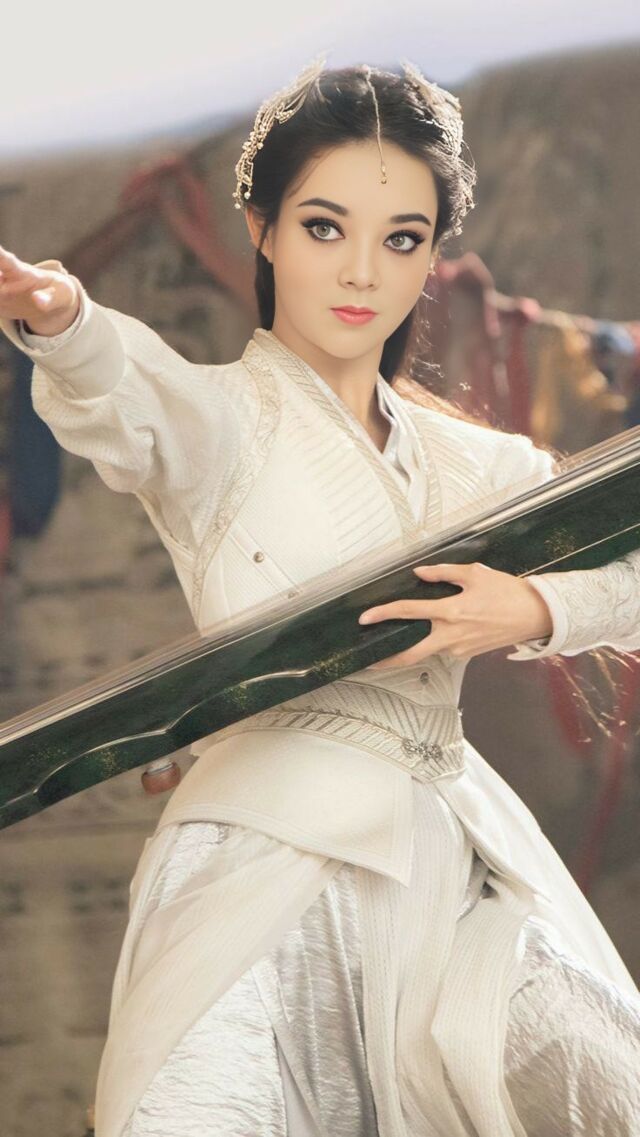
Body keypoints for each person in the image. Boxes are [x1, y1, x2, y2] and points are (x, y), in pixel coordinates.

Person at [1, 57, 639, 1137]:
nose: (360, 271)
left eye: (401, 238)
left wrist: (531, 612)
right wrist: (64, 318)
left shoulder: (480, 466)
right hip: (257, 852)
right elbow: (125, 382)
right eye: (323, 227)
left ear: (432, 253)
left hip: (450, 861)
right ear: (262, 230)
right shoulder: (219, 423)